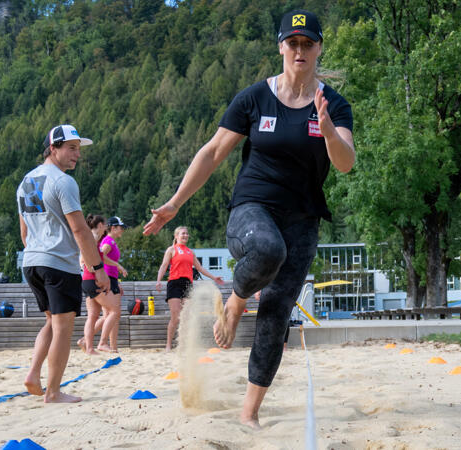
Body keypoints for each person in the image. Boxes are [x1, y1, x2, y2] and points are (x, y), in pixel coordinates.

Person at [144, 9, 354, 428]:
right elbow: (212, 152)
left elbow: (345, 163)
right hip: (251, 210)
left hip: (303, 218)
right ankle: (236, 301)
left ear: (318, 49)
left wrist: (328, 127)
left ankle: (249, 412)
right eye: (292, 43)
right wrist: (175, 203)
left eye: (307, 43)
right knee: (266, 249)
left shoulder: (334, 104)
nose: (299, 50)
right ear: (281, 46)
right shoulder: (254, 98)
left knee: (277, 312)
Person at [18, 124, 109, 403]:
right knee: (63, 327)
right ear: (53, 148)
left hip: (31, 261)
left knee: (52, 322)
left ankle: (34, 374)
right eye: (71, 148)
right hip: (58, 263)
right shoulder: (63, 181)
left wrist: (37, 251)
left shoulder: (27, 181)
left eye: (79, 149)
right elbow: (80, 230)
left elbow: (23, 231)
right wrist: (97, 269)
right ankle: (54, 392)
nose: (77, 155)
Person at [155, 226, 225, 351]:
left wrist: (214, 278)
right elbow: (164, 265)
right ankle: (168, 345)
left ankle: (184, 345)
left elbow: (200, 268)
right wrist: (159, 280)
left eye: (187, 234)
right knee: (176, 316)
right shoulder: (171, 250)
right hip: (174, 283)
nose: (185, 235)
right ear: (176, 236)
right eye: (183, 233)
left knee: (187, 316)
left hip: (187, 284)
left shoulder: (190, 252)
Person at [77, 214, 115, 355]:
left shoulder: (96, 240)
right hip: (92, 280)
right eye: (105, 224)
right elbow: (83, 259)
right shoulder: (92, 238)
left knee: (93, 316)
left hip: (88, 280)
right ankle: (102, 343)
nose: (106, 227)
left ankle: (88, 347)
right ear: (100, 225)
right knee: (114, 311)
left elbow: (96, 258)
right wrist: (93, 270)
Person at [93, 215, 128, 352]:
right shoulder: (108, 241)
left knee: (111, 315)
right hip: (107, 279)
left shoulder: (110, 241)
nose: (122, 231)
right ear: (113, 228)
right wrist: (117, 266)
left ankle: (113, 346)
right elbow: (100, 258)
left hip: (111, 279)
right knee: (112, 314)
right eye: (121, 228)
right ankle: (91, 340)